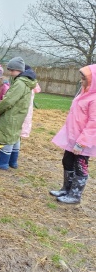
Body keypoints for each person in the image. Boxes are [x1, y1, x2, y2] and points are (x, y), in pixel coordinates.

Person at [50, 64, 96, 204]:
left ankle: (75, 195)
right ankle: (66, 189)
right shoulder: (83, 93)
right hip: (72, 137)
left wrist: (81, 142)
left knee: (80, 166)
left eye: (84, 79)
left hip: (82, 141)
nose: (81, 81)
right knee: (67, 161)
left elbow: (93, 123)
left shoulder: (94, 99)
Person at [0, 57, 37, 170]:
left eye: (11, 70)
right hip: (19, 114)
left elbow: (9, 100)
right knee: (15, 136)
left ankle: (2, 162)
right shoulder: (27, 82)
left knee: (7, 136)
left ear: (18, 69)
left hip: (12, 114)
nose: (10, 73)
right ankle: (13, 161)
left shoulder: (20, 83)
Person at [20, 65, 41, 138]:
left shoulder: (22, 83)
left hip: (23, 104)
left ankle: (22, 133)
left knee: (23, 119)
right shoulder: (33, 83)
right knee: (27, 119)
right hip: (29, 105)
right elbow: (38, 90)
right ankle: (24, 133)